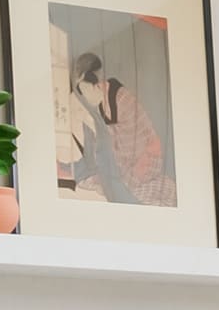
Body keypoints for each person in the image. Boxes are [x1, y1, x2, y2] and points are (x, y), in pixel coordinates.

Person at [62, 41, 175, 208]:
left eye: (85, 90)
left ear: (97, 85)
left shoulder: (122, 100)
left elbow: (133, 146)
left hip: (147, 156)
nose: (84, 97)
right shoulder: (97, 104)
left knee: (122, 191)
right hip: (123, 162)